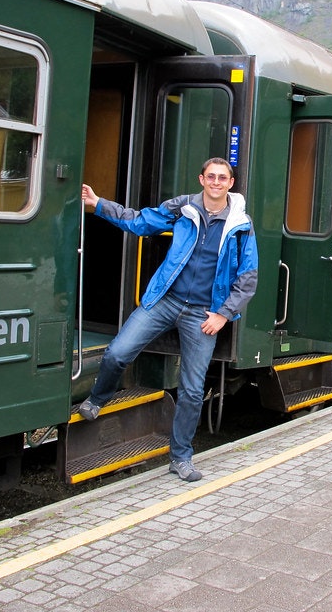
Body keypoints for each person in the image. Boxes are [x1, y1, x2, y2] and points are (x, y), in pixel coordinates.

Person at [78, 158, 258, 482]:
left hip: (203, 313)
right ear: (201, 179)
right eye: (211, 177)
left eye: (223, 178)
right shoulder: (183, 209)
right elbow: (140, 221)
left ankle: (180, 458)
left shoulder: (241, 225)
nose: (216, 182)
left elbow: (248, 277)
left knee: (191, 389)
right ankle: (97, 398)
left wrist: (223, 314)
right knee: (118, 352)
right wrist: (98, 204)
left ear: (231, 184)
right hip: (165, 299)